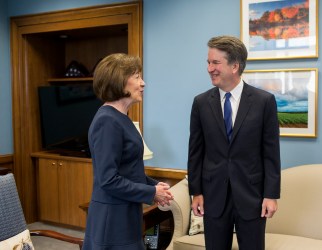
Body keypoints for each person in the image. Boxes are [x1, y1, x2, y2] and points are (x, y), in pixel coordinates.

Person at [187, 35, 281, 250]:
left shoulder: (264, 101)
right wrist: (197, 192)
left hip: (252, 197)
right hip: (213, 197)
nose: (210, 68)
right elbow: (195, 152)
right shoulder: (201, 103)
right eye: (208, 62)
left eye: (216, 62)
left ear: (235, 66)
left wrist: (271, 195)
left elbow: (271, 152)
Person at [83, 53, 173, 250]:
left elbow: (128, 170)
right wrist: (150, 191)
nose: (143, 83)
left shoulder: (120, 118)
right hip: (113, 220)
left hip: (126, 213)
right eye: (137, 77)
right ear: (119, 81)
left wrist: (154, 186)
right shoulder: (107, 121)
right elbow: (108, 179)